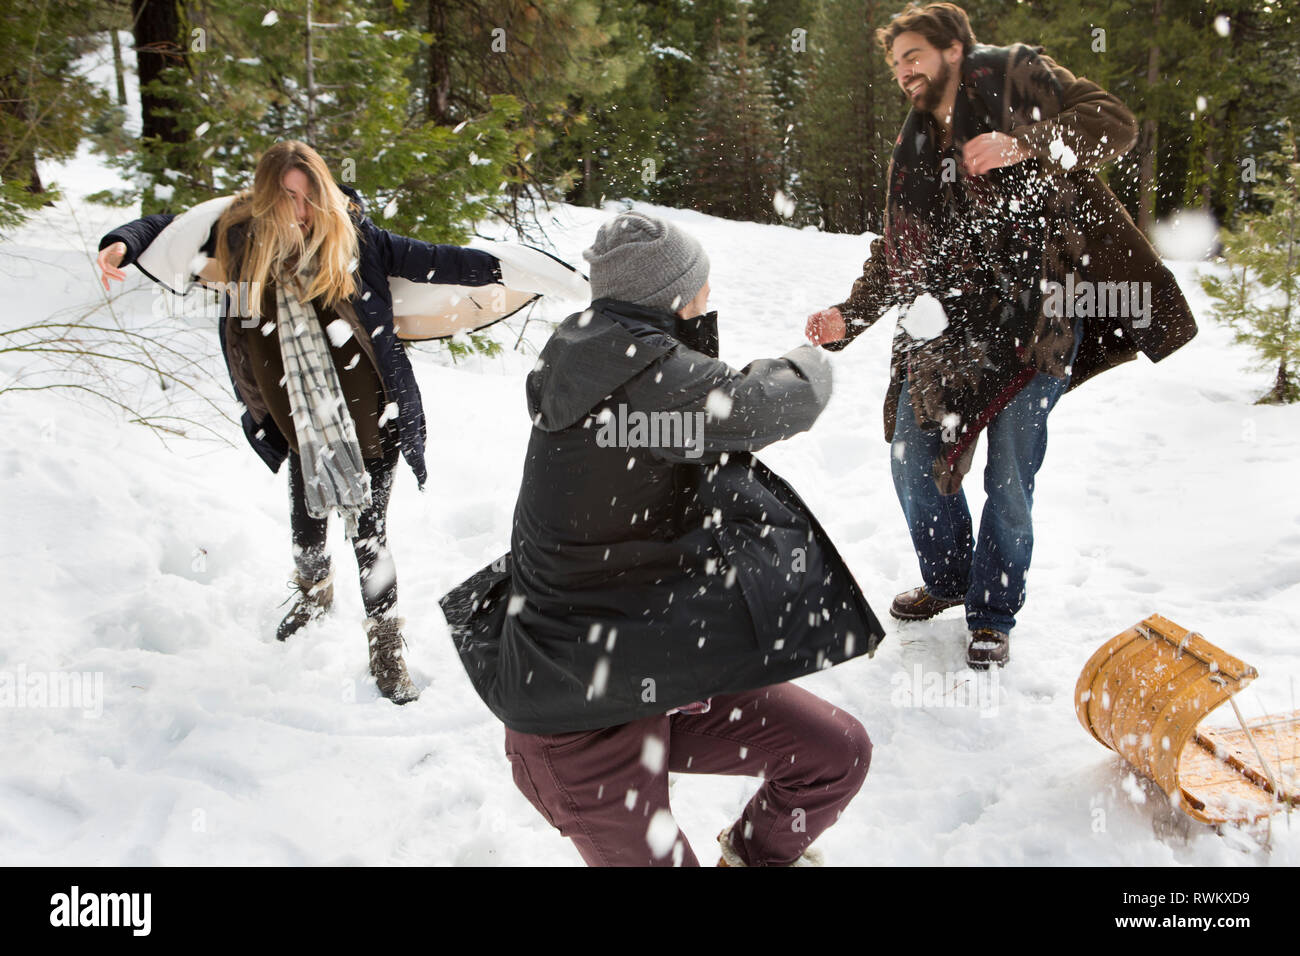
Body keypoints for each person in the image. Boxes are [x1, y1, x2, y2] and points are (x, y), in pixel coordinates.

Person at [441, 212, 885, 866]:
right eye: (700, 286)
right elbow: (777, 402)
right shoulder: (640, 378)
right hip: (579, 719)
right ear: (674, 294)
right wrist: (810, 359)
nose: (709, 297)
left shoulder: (601, 354)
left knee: (834, 753)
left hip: (657, 669)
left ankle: (752, 856)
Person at [805, 2, 1196, 669]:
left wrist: (1030, 142)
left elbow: (1114, 124)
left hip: (1041, 314)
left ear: (953, 50)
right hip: (950, 323)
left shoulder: (1018, 77)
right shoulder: (919, 141)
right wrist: (853, 315)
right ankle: (951, 580)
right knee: (911, 456)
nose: (903, 72)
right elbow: (904, 245)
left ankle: (993, 610)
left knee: (1011, 476)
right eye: (895, 63)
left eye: (913, 56)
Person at [97, 140, 503, 703]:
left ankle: (385, 644)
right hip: (301, 426)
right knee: (306, 529)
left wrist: (512, 268)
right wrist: (121, 242)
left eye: (311, 195)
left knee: (370, 537)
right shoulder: (239, 240)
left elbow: (438, 259)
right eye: (289, 196)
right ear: (266, 196)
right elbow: (170, 229)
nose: (302, 210)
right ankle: (313, 594)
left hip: (370, 420)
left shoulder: (357, 239)